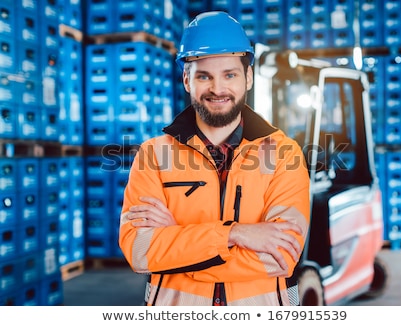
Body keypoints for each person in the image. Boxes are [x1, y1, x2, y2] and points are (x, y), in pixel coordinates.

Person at [119, 11, 310, 306]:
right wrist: (235, 234)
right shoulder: (153, 155)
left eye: (229, 75)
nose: (218, 89)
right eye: (204, 76)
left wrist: (176, 242)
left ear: (248, 78)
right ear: (186, 80)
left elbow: (280, 255)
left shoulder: (285, 155)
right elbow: (140, 251)